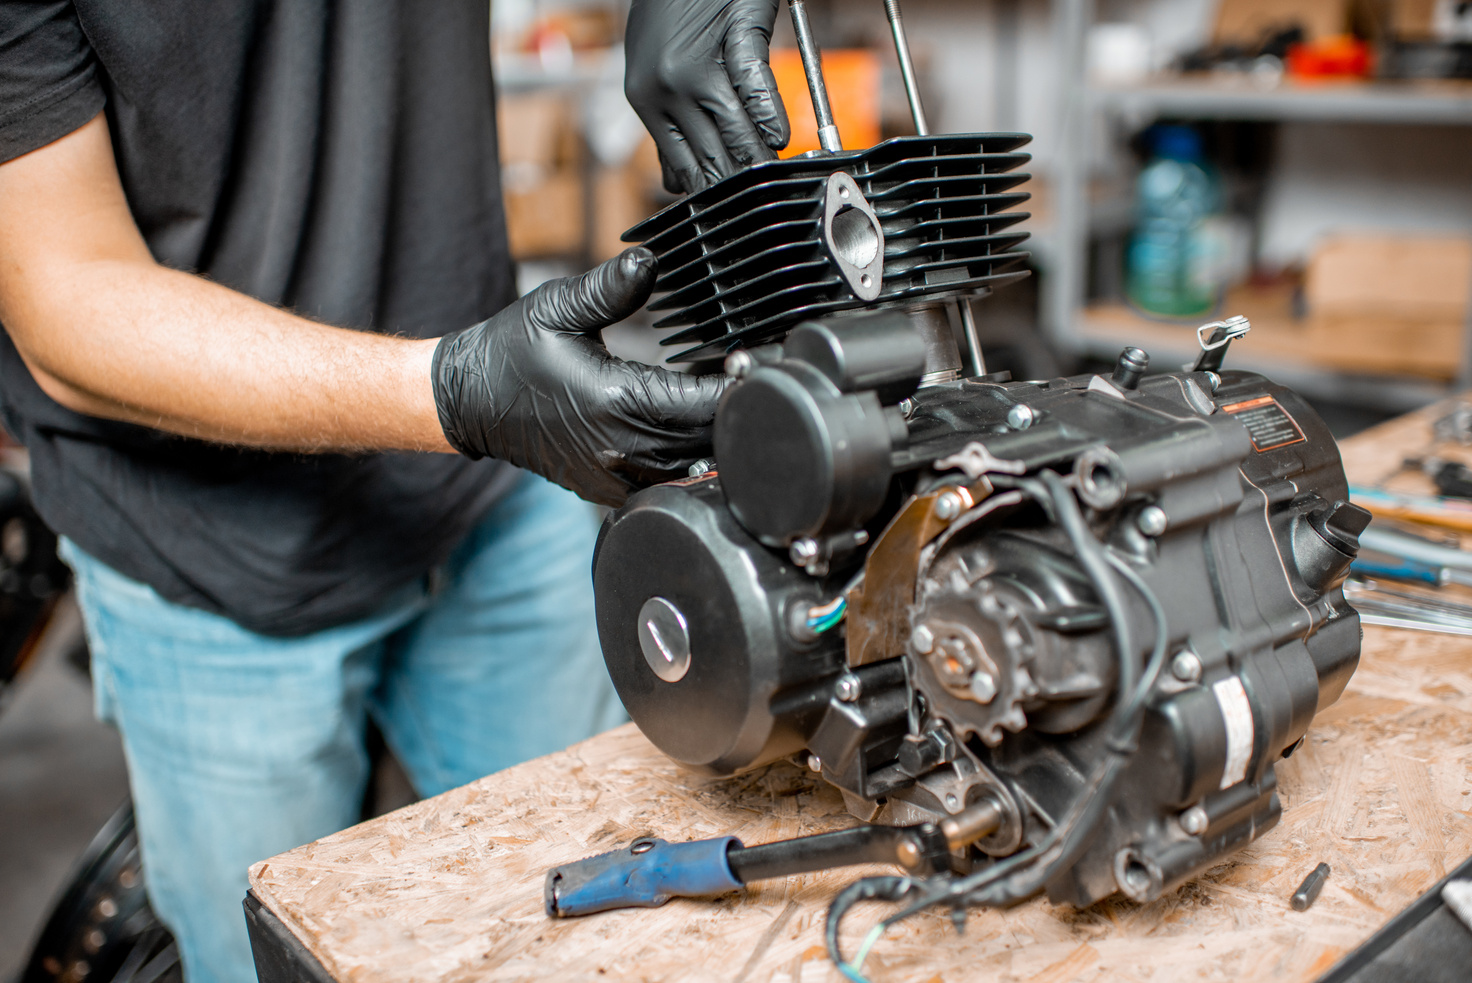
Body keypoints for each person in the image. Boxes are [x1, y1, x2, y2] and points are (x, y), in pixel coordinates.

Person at [0, 1, 790, 980]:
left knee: (630, 928)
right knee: (278, 959)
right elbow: (66, 299)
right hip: (211, 559)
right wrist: (454, 390)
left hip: (493, 497)